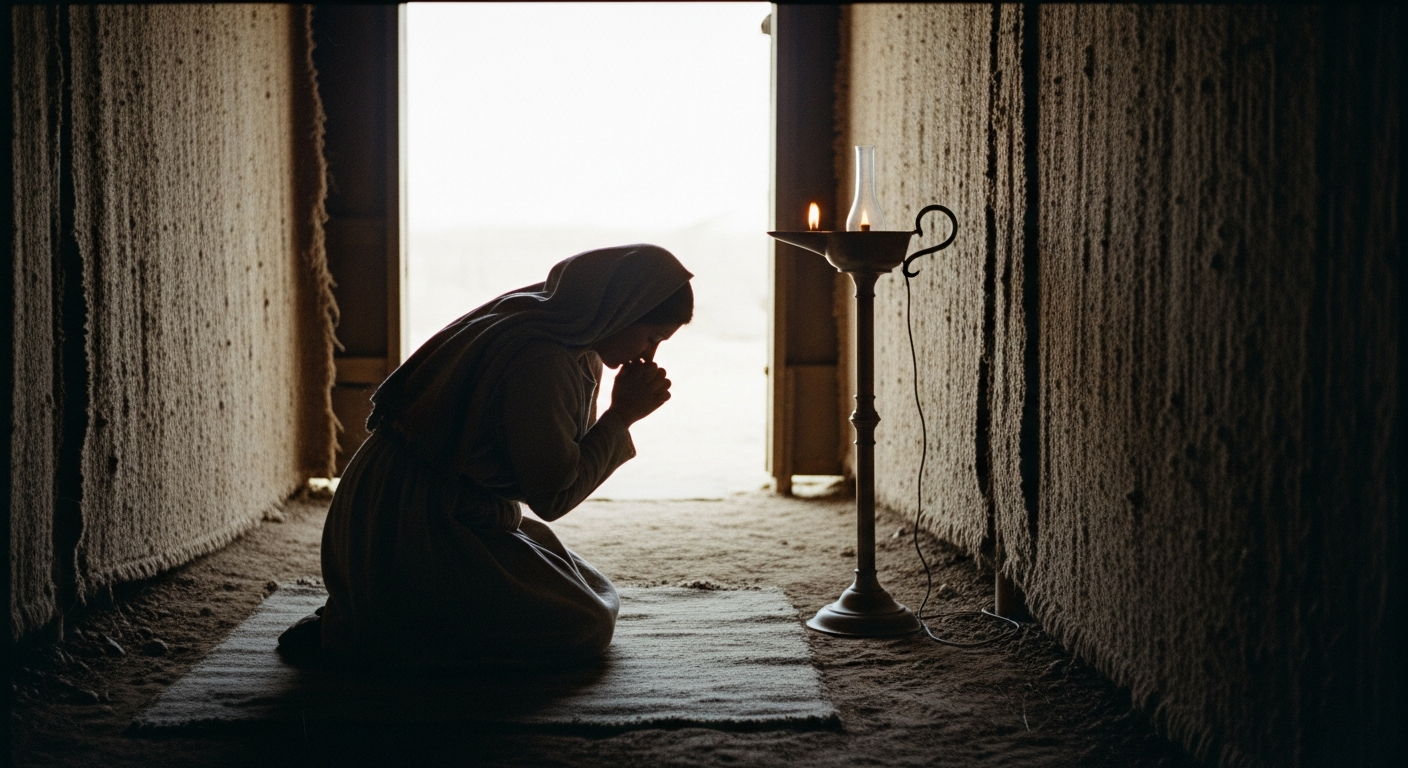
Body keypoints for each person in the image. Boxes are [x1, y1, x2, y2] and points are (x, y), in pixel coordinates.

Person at [279, 244, 693, 669]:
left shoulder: (559, 336)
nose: (649, 355)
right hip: (413, 518)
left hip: (425, 502)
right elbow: (553, 498)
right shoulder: (543, 359)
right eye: (651, 337)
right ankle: (370, 630)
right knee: (585, 623)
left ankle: (368, 609)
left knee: (587, 585)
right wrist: (621, 416)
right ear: (622, 310)